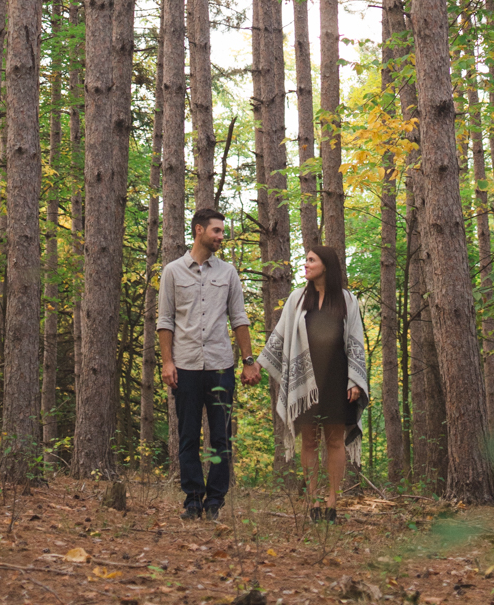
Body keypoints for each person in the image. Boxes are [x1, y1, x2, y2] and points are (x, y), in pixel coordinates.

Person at [157, 207, 261, 521]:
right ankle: (192, 500)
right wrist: (167, 362)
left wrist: (248, 361)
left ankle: (215, 501)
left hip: (220, 367)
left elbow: (239, 319)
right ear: (199, 230)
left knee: (221, 437)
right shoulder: (173, 272)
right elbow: (165, 321)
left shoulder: (227, 272)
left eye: (222, 231)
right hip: (185, 367)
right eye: (216, 231)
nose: (221, 237)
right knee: (188, 436)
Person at [259, 244, 368, 521]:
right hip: (304, 379)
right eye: (306, 259)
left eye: (311, 260)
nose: (305, 264)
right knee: (309, 441)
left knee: (334, 441)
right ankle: (313, 501)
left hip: (337, 378)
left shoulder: (347, 300)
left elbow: (356, 341)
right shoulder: (297, 298)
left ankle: (331, 502)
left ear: (326, 266)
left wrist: (355, 381)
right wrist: (256, 364)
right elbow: (280, 336)